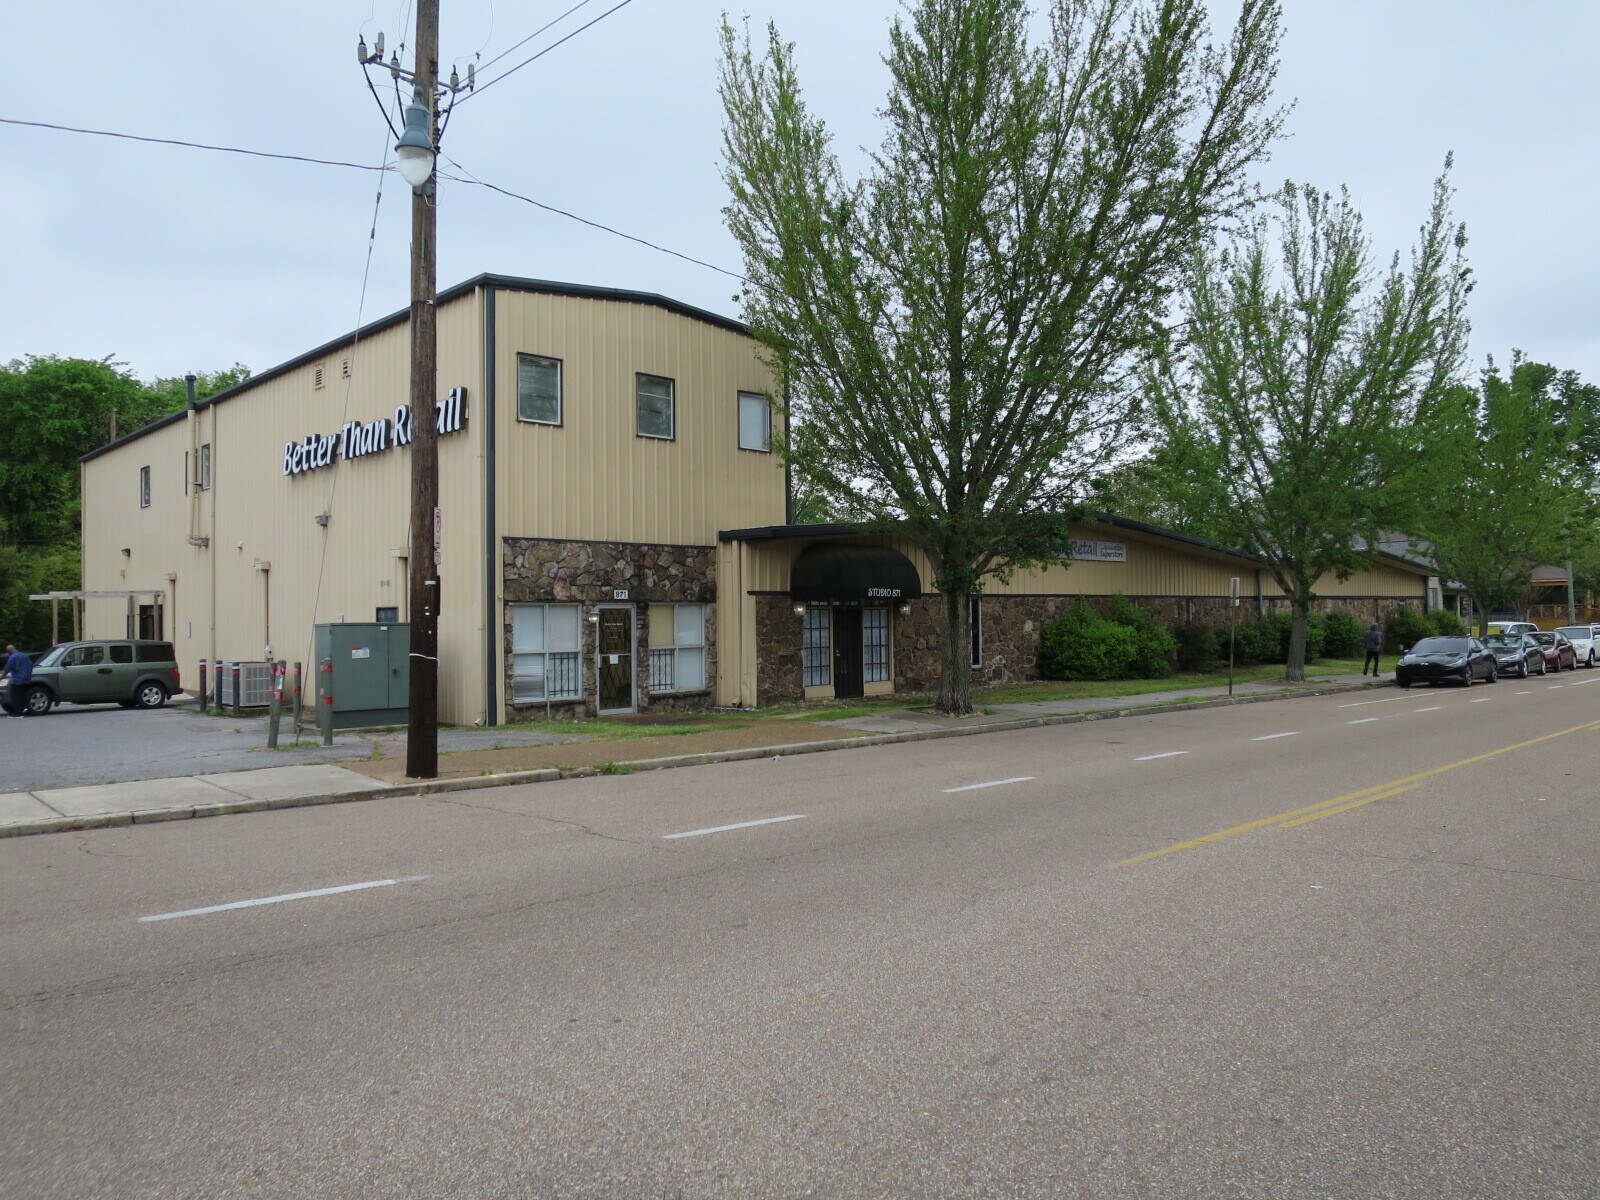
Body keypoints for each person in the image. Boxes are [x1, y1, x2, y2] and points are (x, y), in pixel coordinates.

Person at [3, 644, 34, 716]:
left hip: (17, 680)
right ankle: (26, 710)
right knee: (24, 695)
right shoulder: (24, 655)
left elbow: (7, 669)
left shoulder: (12, 657)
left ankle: (18, 713)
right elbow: (31, 665)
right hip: (26, 679)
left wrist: (1, 677)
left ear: (9, 651)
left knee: (15, 696)